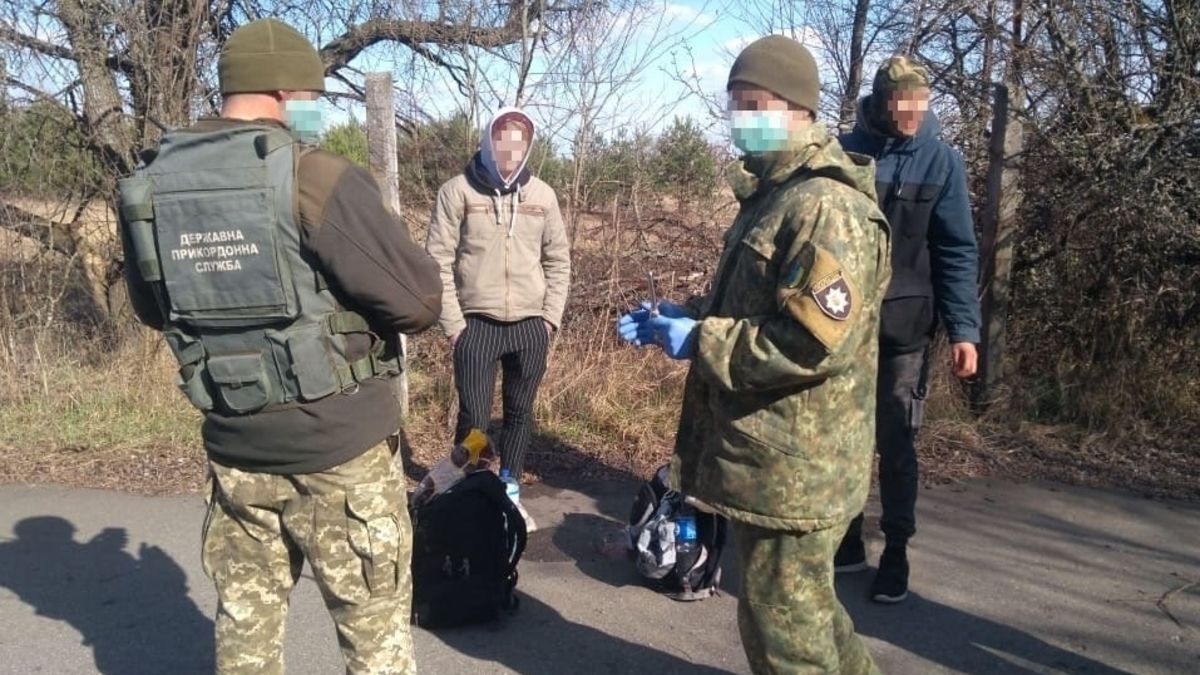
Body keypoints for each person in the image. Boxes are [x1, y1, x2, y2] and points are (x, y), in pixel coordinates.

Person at [117, 18, 442, 674]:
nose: (315, 109)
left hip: (236, 451)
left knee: (246, 637)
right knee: (374, 642)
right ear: (285, 92)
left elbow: (155, 309)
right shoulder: (311, 176)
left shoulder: (151, 182)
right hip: (341, 453)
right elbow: (419, 302)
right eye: (312, 96)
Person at [618, 35, 891, 674]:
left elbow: (812, 341)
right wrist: (688, 315)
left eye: (756, 103)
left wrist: (702, 341)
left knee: (785, 638)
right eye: (736, 103)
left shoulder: (826, 206)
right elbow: (761, 304)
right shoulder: (775, 196)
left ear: (798, 108)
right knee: (810, 618)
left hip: (797, 466)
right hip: (771, 459)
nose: (742, 118)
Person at [835, 55, 982, 604]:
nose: (913, 113)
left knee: (895, 437)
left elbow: (956, 250)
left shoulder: (942, 162)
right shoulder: (847, 151)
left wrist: (965, 330)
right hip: (842, 322)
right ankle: (847, 537)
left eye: (920, 102)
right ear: (881, 102)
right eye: (903, 103)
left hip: (906, 325)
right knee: (842, 434)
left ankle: (895, 548)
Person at [425, 106, 570, 505]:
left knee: (520, 414)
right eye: (503, 141)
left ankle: (508, 485)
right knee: (473, 418)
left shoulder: (542, 195)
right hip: (476, 326)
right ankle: (467, 489)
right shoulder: (457, 191)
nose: (511, 151)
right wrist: (454, 325)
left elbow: (559, 259)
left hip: (530, 327)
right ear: (489, 140)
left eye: (520, 143)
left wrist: (549, 320)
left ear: (528, 147)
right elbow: (436, 259)